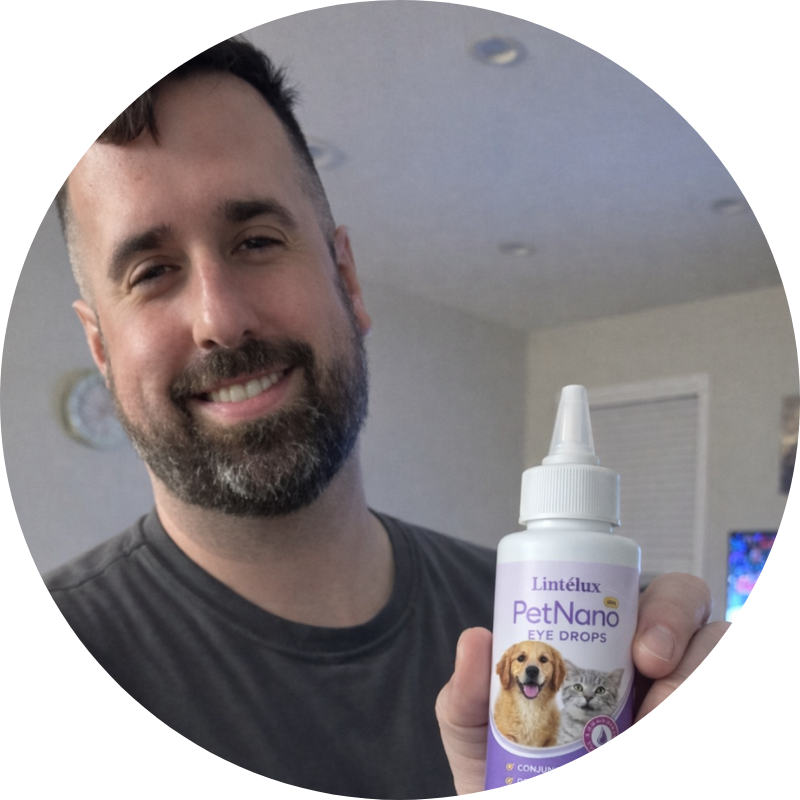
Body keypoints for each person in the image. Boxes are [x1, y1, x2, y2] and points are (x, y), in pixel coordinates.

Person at [45, 38, 727, 797]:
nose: (219, 319)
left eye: (257, 241)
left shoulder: (545, 626)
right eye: (151, 272)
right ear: (101, 348)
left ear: (348, 280)